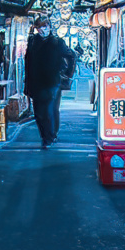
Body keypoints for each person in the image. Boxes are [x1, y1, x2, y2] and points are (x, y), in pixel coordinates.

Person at [24, 15, 76, 150]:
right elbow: (27, 63)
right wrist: (27, 85)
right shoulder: (32, 41)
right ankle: (45, 136)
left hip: (52, 82)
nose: (42, 30)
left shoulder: (57, 42)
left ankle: (50, 137)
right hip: (36, 82)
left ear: (49, 27)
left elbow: (71, 56)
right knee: (38, 113)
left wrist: (68, 74)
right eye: (39, 27)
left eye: (44, 26)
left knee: (49, 110)